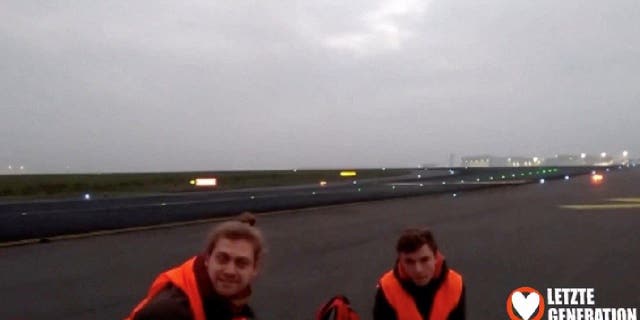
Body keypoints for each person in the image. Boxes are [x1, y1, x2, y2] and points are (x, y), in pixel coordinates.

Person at [126, 212, 265, 320]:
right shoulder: (169, 312)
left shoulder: (231, 305)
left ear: (254, 269)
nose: (230, 271)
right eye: (222, 259)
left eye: (241, 263)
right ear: (207, 260)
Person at [373, 227, 465, 320]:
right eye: (409, 262)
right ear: (400, 261)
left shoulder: (455, 285)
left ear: (435, 258)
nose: (418, 270)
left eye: (424, 260)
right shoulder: (387, 288)